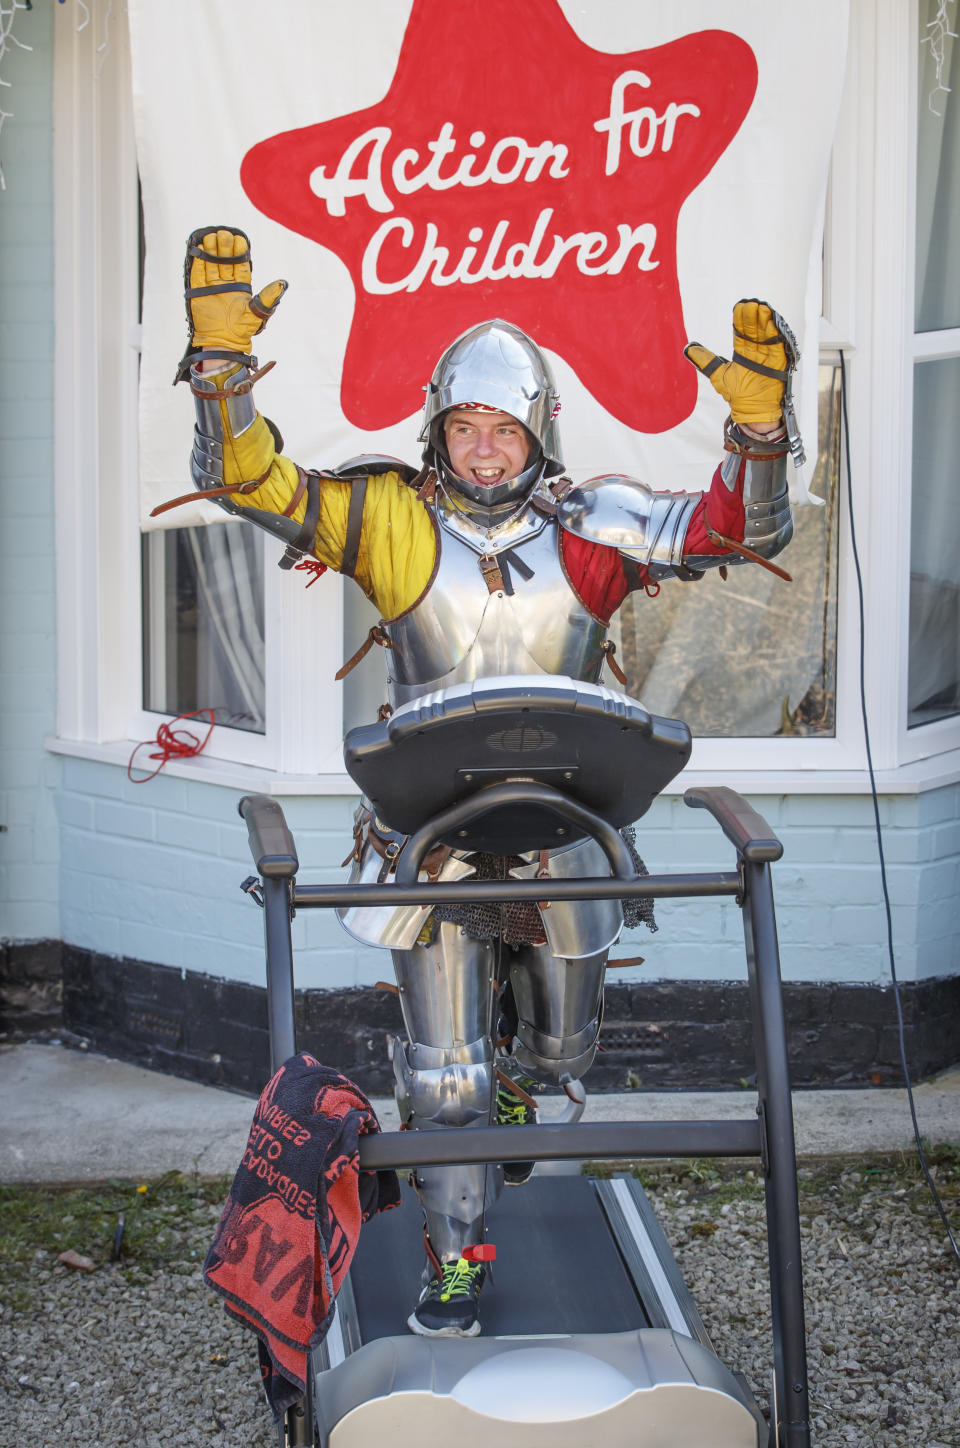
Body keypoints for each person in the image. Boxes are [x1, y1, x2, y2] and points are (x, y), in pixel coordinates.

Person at [176, 226, 797, 1339]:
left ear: (536, 428)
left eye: (501, 425)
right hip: (433, 840)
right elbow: (248, 480)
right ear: (438, 427)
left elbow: (734, 533)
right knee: (444, 1075)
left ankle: (530, 1073)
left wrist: (758, 435)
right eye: (464, 424)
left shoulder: (591, 525)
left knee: (562, 1049)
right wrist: (222, 375)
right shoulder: (392, 518)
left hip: (567, 830)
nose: (482, 446)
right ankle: (456, 1254)